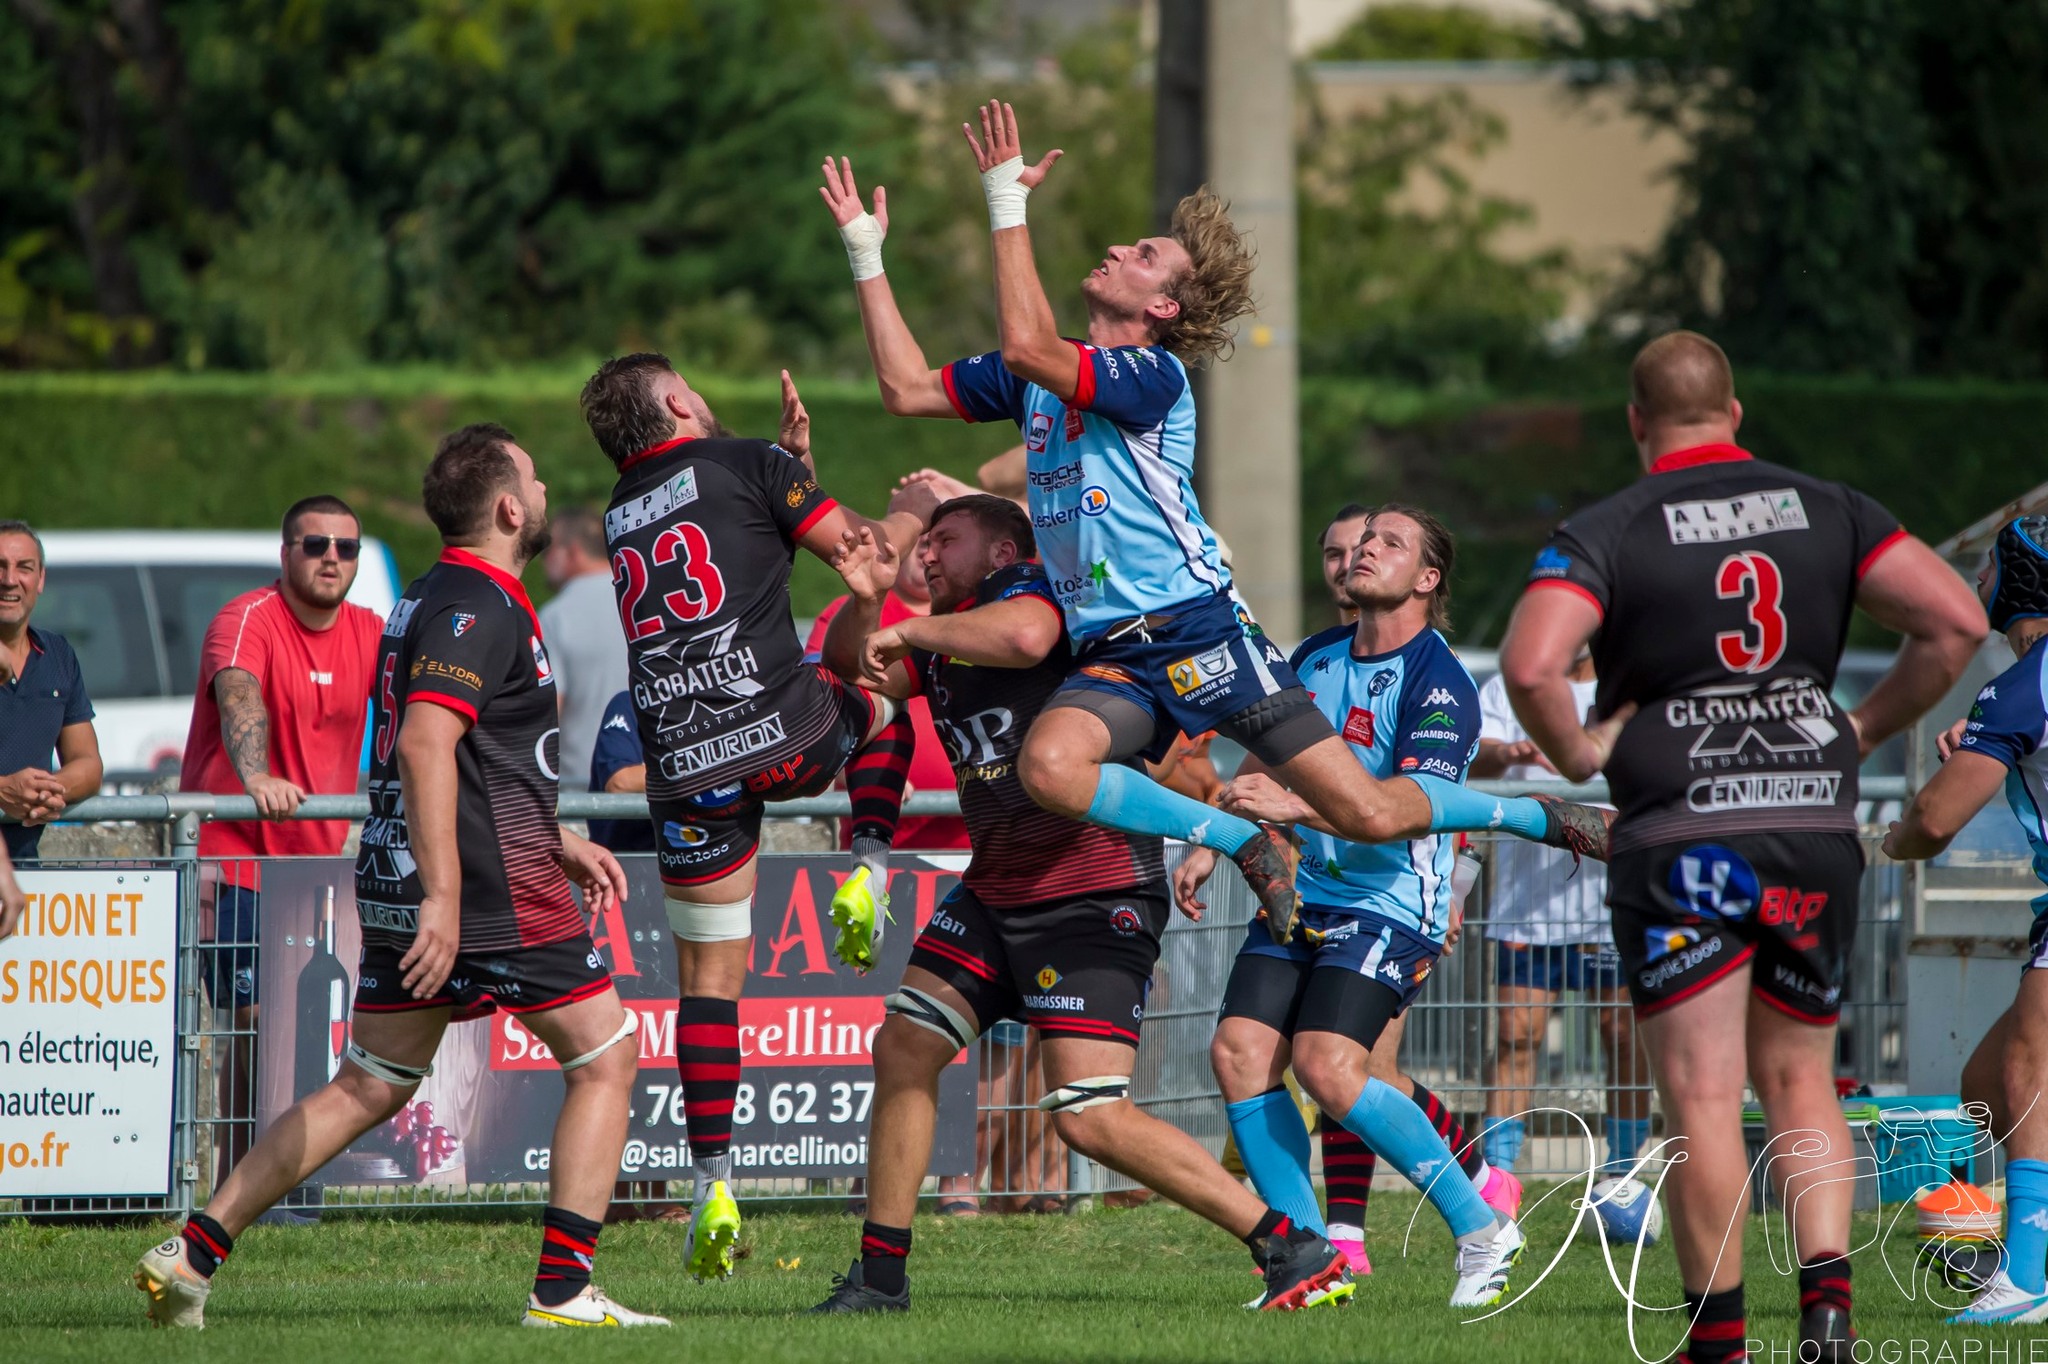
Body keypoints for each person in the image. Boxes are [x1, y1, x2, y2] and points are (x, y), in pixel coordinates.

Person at [820, 104, 1605, 945]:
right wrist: (866, 246)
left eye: (1144, 254)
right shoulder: (1041, 382)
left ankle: (1535, 818)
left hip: (1202, 635)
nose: (1121, 249)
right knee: (1049, 766)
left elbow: (1025, 346)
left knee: (1373, 814)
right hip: (1115, 648)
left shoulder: (1151, 377)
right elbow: (903, 389)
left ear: (1162, 307)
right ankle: (1240, 838)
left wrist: (1005, 200)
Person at [1497, 331, 1987, 1361]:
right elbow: (1950, 619)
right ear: (1736, 410)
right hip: (1809, 816)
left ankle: (1718, 1339)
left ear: (1636, 420)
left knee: (1705, 1091)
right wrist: (1855, 728)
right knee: (1802, 1076)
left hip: (1681, 821)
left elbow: (1534, 664)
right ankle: (1828, 1311)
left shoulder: (1607, 525)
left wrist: (1583, 749)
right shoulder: (1830, 504)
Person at [135, 423, 665, 1330]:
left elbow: (484, 758)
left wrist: (555, 837)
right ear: (507, 507)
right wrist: (451, 900)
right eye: (532, 482)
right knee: (607, 1056)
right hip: (484, 891)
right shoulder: (478, 604)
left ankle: (193, 1251)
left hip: (428, 874)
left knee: (370, 1085)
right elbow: (426, 744)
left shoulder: (427, 598)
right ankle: (565, 1291)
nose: (543, 494)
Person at [809, 495, 1352, 1314]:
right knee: (906, 1044)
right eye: (925, 544)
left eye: (944, 540)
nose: (926, 555)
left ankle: (1290, 1246)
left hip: (1094, 891)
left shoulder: (1047, 602)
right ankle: (879, 1279)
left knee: (1087, 1116)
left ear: (1002, 550)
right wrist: (863, 603)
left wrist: (908, 624)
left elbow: (1024, 635)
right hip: (996, 890)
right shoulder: (948, 636)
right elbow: (861, 669)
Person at [579, 355, 933, 1282]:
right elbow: (869, 553)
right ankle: (869, 865)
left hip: (684, 766)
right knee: (884, 689)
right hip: (785, 732)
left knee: (708, 984)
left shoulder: (621, 513)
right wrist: (916, 509)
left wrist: (787, 471)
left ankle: (713, 1187)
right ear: (679, 403)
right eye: (693, 382)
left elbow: (724, 541)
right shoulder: (745, 463)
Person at [1180, 505, 1527, 1308]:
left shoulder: (1440, 681)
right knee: (1237, 1053)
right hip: (1312, 893)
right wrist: (1215, 836)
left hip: (1392, 900)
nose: (1364, 552)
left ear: (1427, 579)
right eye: (1360, 542)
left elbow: (1403, 809)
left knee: (1331, 1068)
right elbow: (1269, 764)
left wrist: (1294, 811)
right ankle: (1309, 1262)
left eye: (1389, 544)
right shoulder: (1316, 655)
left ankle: (1483, 1230)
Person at [177, 494, 384, 1172]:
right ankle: (251, 1178)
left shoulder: (371, 631)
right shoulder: (247, 619)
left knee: (296, 1032)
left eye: (346, 548)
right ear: (286, 552)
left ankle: (259, 1177)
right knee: (262, 1022)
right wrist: (258, 775)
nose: (331, 558)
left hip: (317, 873)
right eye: (315, 544)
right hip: (237, 864)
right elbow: (239, 694)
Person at [1883, 516, 2048, 1325]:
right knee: (1989, 1086)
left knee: (2024, 1076)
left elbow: (1936, 822)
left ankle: (2027, 1278)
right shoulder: (2022, 694)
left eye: (1989, 564)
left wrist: (1892, 839)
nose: (1976, 577)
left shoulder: (2024, 684)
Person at [1471, 653, 1651, 1178]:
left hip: (1610, 908)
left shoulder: (1629, 683)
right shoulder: (1514, 684)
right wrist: (1508, 753)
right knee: (1514, 1036)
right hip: (1529, 909)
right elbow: (1470, 758)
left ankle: (1622, 1172)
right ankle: (1498, 1176)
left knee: (1622, 1035)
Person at [0, 520, 102, 861]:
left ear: (40, 579)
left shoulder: (59, 655)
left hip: (26, 869)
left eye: (23, 568)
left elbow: (87, 763)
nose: (9, 580)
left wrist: (46, 792)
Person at [540, 508, 631, 794]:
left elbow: (546, 712)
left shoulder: (555, 616)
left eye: (548, 551)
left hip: (584, 791)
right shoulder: (641, 601)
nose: (543, 561)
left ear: (573, 551)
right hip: (648, 783)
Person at [585, 689, 655, 856]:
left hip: (705, 854)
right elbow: (620, 781)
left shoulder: (717, 708)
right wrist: (700, 770)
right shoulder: (630, 703)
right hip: (630, 859)